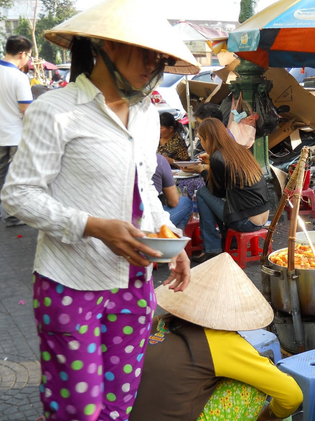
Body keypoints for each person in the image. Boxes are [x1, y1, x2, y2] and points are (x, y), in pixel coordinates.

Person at [0, 0, 198, 419]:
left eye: (159, 57)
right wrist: (92, 226)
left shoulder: (146, 115)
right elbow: (18, 195)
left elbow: (143, 185)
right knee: (79, 410)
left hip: (134, 286)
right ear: (106, 46)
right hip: (71, 284)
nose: (153, 65)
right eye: (145, 53)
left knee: (118, 404)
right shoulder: (57, 110)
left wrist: (168, 237)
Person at [130, 252, 303, 421]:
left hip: (124, 412)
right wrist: (268, 416)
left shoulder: (157, 322)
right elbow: (292, 395)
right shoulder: (222, 342)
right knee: (251, 386)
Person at [191, 118, 270, 263]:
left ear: (207, 138)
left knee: (202, 193)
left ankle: (211, 248)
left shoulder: (217, 157)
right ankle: (228, 240)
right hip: (263, 217)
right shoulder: (239, 150)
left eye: (201, 139)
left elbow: (217, 193)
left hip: (246, 222)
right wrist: (211, 165)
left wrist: (202, 170)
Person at [0, 35, 33, 227]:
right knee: (16, 175)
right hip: (14, 135)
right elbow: (26, 110)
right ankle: (13, 215)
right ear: (22, 54)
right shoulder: (19, 77)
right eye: (28, 56)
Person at [152, 153, 193, 230]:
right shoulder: (158, 160)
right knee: (186, 202)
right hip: (148, 222)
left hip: (125, 221)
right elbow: (173, 201)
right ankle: (173, 238)